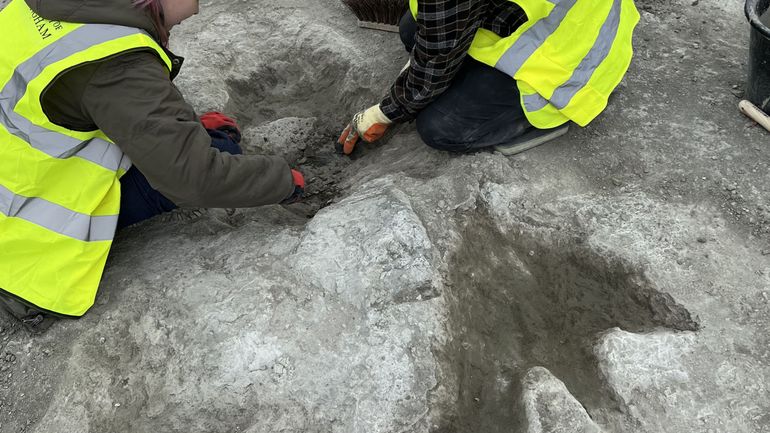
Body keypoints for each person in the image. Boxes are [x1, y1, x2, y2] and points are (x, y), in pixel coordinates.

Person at [0, 0, 305, 331]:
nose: (201, 5)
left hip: (20, 173)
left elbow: (100, 102)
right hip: (24, 238)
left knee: (204, 144)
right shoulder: (116, 62)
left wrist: (185, 127)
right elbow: (193, 178)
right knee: (220, 151)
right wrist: (282, 181)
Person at [338, 0, 640, 156]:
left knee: (439, 127)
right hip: (529, 20)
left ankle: (550, 116)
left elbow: (437, 56)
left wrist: (386, 111)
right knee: (411, 28)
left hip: (572, 54)